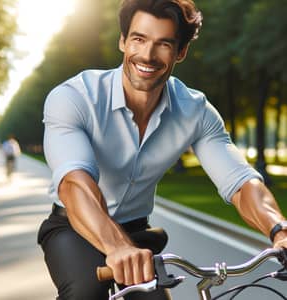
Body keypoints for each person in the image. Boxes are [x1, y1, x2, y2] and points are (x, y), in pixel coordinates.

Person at [38, 0, 287, 299]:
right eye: (139, 39)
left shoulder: (196, 111)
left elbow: (242, 183)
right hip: (72, 228)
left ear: (180, 52)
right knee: (85, 291)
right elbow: (74, 185)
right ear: (122, 41)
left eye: (164, 44)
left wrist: (279, 229)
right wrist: (119, 248)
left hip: (137, 231)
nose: (147, 55)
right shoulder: (74, 98)